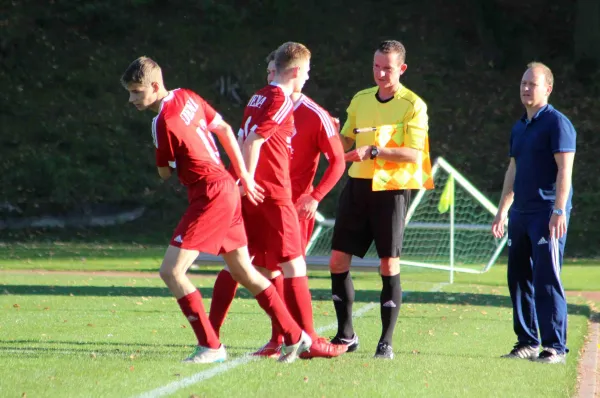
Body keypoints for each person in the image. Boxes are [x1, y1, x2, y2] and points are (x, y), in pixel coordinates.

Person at [120, 56, 311, 364]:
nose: (132, 99)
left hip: (209, 194)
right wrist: (244, 175)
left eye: (137, 92)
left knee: (171, 271)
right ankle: (295, 334)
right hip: (226, 186)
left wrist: (175, 161)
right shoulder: (187, 95)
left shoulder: (162, 121)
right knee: (244, 271)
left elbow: (165, 173)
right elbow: (223, 128)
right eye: (130, 92)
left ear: (155, 86)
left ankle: (210, 345)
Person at [207, 42, 346, 359]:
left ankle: (227, 338)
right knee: (290, 267)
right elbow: (253, 139)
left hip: (265, 196)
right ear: (296, 71)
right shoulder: (279, 98)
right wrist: (249, 179)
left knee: (246, 267)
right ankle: (306, 340)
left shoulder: (266, 99)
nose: (307, 78)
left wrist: (315, 195)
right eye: (306, 72)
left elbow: (337, 160)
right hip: (273, 197)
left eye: (272, 69)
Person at [328, 40, 432, 359]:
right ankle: (345, 335)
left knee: (388, 265)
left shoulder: (413, 104)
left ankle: (386, 341)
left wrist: (375, 151)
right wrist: (329, 133)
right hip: (357, 186)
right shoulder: (360, 99)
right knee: (337, 260)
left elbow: (415, 154)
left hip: (391, 191)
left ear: (401, 69)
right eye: (376, 66)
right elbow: (345, 137)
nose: (380, 73)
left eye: (387, 68)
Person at [491, 62, 576, 364]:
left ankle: (555, 347)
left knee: (546, 278)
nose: (526, 88)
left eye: (533, 84)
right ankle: (527, 341)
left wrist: (559, 209)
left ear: (548, 89)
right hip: (521, 215)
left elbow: (565, 170)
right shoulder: (519, 127)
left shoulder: (557, 124)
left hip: (546, 214)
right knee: (519, 278)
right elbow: (513, 169)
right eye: (523, 83)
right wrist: (503, 211)